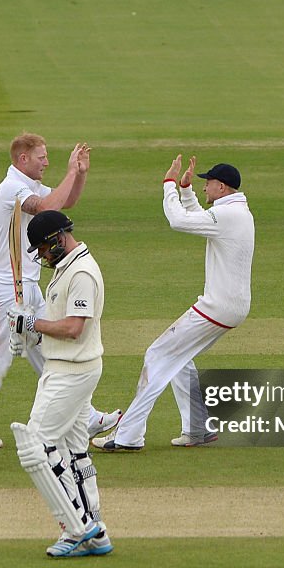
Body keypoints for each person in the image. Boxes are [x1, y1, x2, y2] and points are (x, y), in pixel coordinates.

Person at [0, 134, 121, 449]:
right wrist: (69, 172)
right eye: (41, 157)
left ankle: (86, 416)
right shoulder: (12, 188)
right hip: (9, 286)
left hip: (29, 285)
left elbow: (66, 203)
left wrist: (80, 174)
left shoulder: (31, 186)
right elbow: (47, 208)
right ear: (23, 159)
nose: (46, 163)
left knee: (49, 351)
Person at [93, 156, 255, 452]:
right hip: (230, 306)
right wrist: (187, 191)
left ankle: (128, 437)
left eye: (208, 184)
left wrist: (168, 185)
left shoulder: (231, 215)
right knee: (180, 361)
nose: (205, 188)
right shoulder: (236, 211)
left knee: (157, 355)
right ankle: (198, 429)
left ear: (221, 187)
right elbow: (202, 222)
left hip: (218, 307)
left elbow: (179, 221)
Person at [9, 210, 112, 557]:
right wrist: (29, 333)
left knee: (36, 446)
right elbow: (61, 326)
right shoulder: (69, 268)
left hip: (73, 371)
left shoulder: (82, 272)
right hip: (66, 366)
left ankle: (75, 528)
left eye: (43, 248)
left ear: (58, 239)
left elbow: (73, 328)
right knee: (74, 450)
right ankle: (95, 531)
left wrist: (34, 324)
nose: (42, 256)